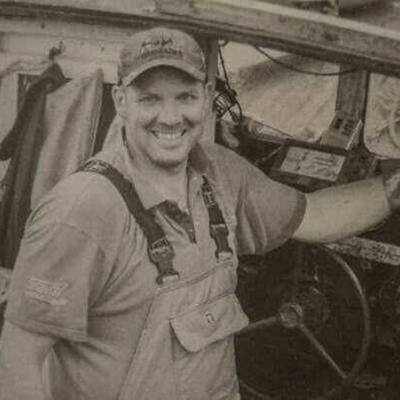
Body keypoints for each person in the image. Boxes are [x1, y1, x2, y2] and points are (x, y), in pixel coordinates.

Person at [0, 26, 397, 400]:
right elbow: (18, 363)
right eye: (150, 99)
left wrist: (391, 190)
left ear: (207, 98)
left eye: (185, 97)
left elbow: (314, 214)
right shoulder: (80, 212)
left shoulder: (221, 173)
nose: (171, 117)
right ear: (121, 101)